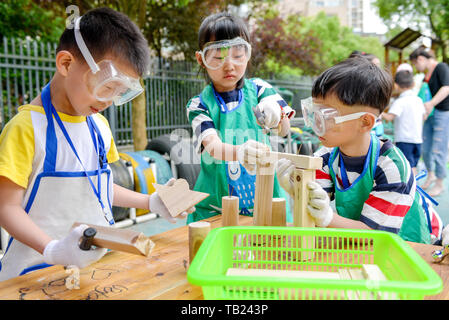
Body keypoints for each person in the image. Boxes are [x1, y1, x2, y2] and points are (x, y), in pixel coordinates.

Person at [0, 8, 192, 281]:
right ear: (66, 64)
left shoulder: (99, 127)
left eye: (119, 92)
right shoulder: (25, 129)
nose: (108, 101)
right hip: (35, 273)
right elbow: (6, 207)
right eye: (106, 86)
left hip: (93, 272)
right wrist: (52, 249)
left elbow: (97, 187)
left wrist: (151, 202)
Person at [276, 57, 433, 244]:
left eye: (326, 116)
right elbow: (314, 217)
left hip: (406, 250)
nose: (317, 124)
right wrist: (300, 192)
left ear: (365, 122)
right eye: (314, 113)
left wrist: (327, 217)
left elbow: (375, 235)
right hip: (355, 247)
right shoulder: (324, 158)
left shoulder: (392, 167)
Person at [186, 12, 295, 223]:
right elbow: (213, 147)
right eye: (218, 57)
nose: (229, 65)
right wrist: (241, 152)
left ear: (248, 54)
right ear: (201, 59)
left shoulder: (262, 89)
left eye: (237, 55)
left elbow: (284, 130)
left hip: (265, 200)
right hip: (216, 206)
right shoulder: (198, 105)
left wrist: (277, 115)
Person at [410, 47, 449, 197]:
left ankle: (440, 182)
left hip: (443, 113)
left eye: (415, 64)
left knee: (439, 149)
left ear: (420, 59)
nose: (416, 68)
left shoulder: (441, 67)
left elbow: (446, 88)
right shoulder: (428, 75)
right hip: (431, 113)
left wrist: (431, 104)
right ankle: (431, 174)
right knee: (425, 147)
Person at [382, 70, 426, 176]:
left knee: (407, 167)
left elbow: (389, 117)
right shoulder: (418, 100)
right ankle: (414, 187)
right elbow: (424, 116)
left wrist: (379, 113)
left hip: (404, 139)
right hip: (417, 139)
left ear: (396, 85)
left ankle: (412, 189)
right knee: (413, 165)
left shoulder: (400, 102)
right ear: (413, 84)